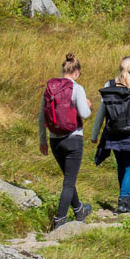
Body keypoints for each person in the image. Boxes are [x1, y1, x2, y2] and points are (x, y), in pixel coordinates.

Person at [91, 55, 130, 213]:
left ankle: (124, 201)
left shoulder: (109, 85)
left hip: (112, 132)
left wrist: (95, 133)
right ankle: (123, 199)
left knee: (121, 165)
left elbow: (102, 112)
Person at [39, 53, 93, 229]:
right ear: (76, 72)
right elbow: (84, 114)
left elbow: (42, 117)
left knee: (69, 179)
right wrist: (88, 105)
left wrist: (43, 141)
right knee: (69, 182)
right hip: (73, 139)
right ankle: (60, 221)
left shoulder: (50, 88)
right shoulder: (77, 88)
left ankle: (79, 210)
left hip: (54, 140)